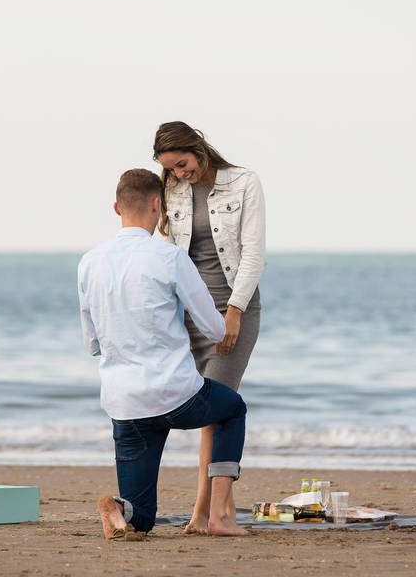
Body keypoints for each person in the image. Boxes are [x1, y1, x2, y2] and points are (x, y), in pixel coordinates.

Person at [78, 168, 249, 539]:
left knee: (144, 520)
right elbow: (213, 327)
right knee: (233, 409)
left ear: (115, 208)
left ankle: (120, 510)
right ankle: (219, 515)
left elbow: (91, 343)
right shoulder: (169, 256)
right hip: (177, 396)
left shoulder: (89, 262)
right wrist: (227, 322)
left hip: (124, 404)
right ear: (159, 205)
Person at [152, 121, 266, 534]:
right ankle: (223, 513)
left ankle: (203, 513)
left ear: (198, 148)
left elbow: (254, 253)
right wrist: (172, 315)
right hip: (187, 314)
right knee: (212, 411)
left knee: (216, 412)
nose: (180, 174)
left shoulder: (244, 182)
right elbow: (166, 254)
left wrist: (233, 312)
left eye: (182, 164)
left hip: (232, 309)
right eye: (172, 169)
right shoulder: (170, 189)